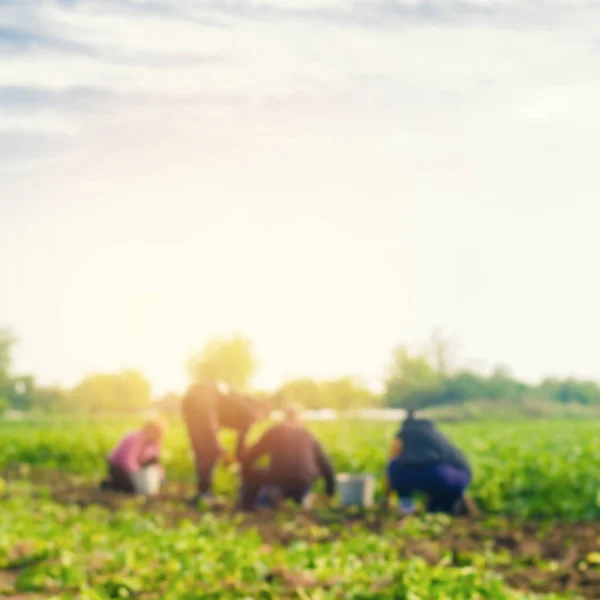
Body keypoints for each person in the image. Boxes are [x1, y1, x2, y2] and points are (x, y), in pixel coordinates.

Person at [181, 382, 269, 502]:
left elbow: (211, 433)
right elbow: (240, 448)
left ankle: (202, 492)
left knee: (202, 450)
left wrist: (222, 452)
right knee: (208, 450)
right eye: (262, 417)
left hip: (189, 401)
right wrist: (229, 457)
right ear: (261, 410)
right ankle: (205, 494)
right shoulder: (251, 413)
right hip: (203, 401)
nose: (258, 421)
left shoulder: (241, 404)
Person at [238, 404, 336, 510]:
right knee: (310, 471)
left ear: (284, 418)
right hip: (304, 482)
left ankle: (249, 504)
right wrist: (330, 493)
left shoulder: (275, 431)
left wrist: (245, 473)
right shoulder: (307, 435)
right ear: (300, 419)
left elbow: (251, 456)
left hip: (278, 480)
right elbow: (326, 466)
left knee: (254, 473)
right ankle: (301, 499)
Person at [384, 410, 472, 515]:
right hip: (460, 477)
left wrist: (387, 498)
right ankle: (451, 507)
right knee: (435, 510)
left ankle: (406, 507)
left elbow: (391, 462)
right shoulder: (433, 433)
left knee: (395, 465)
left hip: (438, 474)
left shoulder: (404, 433)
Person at [101, 417, 167, 494]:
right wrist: (137, 477)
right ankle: (111, 483)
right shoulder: (135, 438)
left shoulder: (155, 442)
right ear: (149, 430)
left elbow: (155, 462)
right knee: (132, 489)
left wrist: (160, 477)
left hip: (137, 466)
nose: (159, 437)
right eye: (158, 434)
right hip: (119, 467)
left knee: (143, 486)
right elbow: (127, 461)